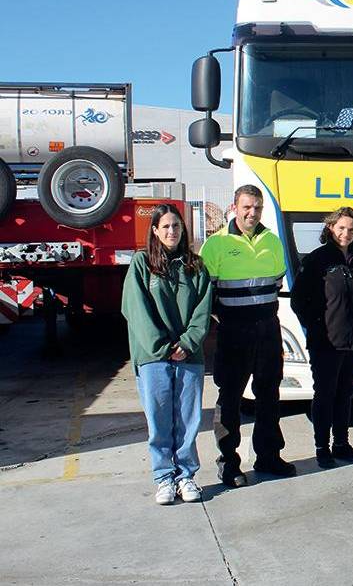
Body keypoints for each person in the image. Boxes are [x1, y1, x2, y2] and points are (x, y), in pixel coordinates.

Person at [200, 185, 294, 487]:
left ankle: (268, 456)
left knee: (269, 395)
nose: (252, 213)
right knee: (229, 399)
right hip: (233, 332)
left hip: (268, 330)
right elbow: (206, 295)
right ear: (235, 207)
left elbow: (276, 283)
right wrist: (229, 319)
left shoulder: (272, 242)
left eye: (257, 207)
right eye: (247, 207)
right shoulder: (215, 245)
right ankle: (228, 464)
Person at [122, 204, 212, 505]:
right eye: (166, 227)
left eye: (176, 226)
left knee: (188, 419)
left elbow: (203, 309)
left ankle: (186, 476)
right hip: (153, 356)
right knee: (159, 419)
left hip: (189, 355)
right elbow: (135, 309)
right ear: (156, 231)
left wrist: (187, 343)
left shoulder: (196, 266)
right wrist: (161, 346)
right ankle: (163, 478)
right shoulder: (142, 263)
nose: (172, 232)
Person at [291, 207, 353, 468]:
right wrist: (316, 326)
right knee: (324, 395)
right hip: (326, 341)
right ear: (330, 229)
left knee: (345, 394)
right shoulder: (317, 260)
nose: (346, 233)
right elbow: (298, 300)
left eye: (351, 229)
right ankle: (321, 448)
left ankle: (341, 444)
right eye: (341, 228)